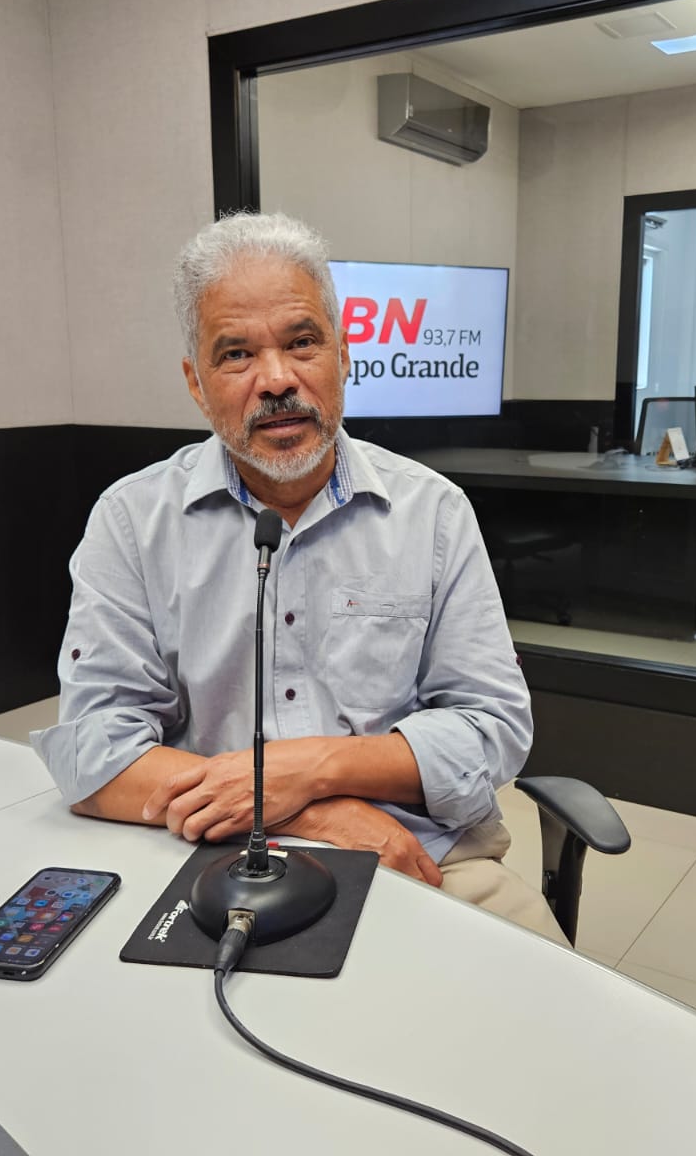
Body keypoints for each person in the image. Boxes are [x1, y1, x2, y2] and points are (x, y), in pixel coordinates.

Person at [31, 212, 565, 942]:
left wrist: (313, 766)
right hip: (207, 853)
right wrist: (305, 806)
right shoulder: (132, 521)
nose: (277, 379)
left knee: (546, 1035)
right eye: (236, 354)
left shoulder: (433, 513)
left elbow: (492, 728)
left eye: (302, 342)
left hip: (420, 855)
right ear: (196, 383)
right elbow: (94, 749)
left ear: (343, 355)